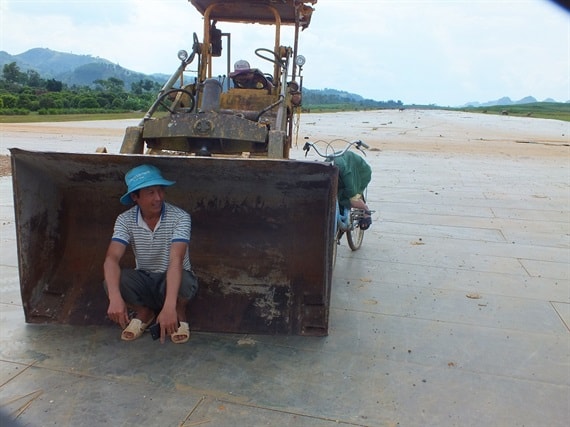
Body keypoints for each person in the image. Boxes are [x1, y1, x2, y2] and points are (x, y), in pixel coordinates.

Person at [103, 164, 198, 344]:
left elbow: (176, 260)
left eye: (160, 191)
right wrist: (114, 297)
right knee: (114, 280)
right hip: (145, 277)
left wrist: (169, 305)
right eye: (150, 193)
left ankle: (178, 311)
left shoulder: (180, 217)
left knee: (186, 280)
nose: (158, 198)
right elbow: (111, 258)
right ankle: (144, 311)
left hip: (173, 277)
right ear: (135, 197)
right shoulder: (125, 220)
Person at [335, 150, 373, 230]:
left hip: (359, 174)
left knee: (352, 198)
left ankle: (366, 211)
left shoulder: (345, 173)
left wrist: (352, 197)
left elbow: (351, 194)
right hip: (341, 173)